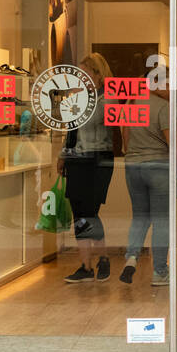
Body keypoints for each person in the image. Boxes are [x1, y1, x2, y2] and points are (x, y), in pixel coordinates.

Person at [60, 52, 116, 283]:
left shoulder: (108, 98)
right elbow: (70, 130)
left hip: (98, 159)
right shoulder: (80, 98)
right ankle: (85, 266)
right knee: (78, 214)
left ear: (98, 74)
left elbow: (97, 119)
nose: (81, 77)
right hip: (76, 159)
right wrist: (63, 154)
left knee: (90, 212)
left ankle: (103, 258)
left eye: (85, 73)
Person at [121, 71, 172, 286]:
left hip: (132, 166)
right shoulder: (162, 107)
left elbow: (125, 139)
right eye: (168, 83)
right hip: (158, 166)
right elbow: (172, 142)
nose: (171, 88)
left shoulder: (130, 104)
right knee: (161, 219)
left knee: (140, 216)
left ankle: (131, 257)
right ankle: (160, 271)